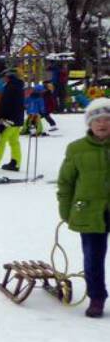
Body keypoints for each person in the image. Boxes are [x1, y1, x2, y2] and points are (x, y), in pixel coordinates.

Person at [57, 98, 110, 318]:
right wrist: (66, 209)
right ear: (89, 123)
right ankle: (96, 297)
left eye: (107, 119)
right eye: (97, 119)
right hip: (89, 210)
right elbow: (66, 182)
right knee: (93, 258)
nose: (102, 124)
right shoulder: (76, 149)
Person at [0, 67, 25, 172]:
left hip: (9, 120)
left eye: (3, 77)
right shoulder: (19, 86)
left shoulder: (10, 88)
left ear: (9, 77)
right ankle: (15, 162)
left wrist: (1, 118)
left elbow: (6, 105)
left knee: (1, 141)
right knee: (14, 142)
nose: (2, 79)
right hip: (18, 119)